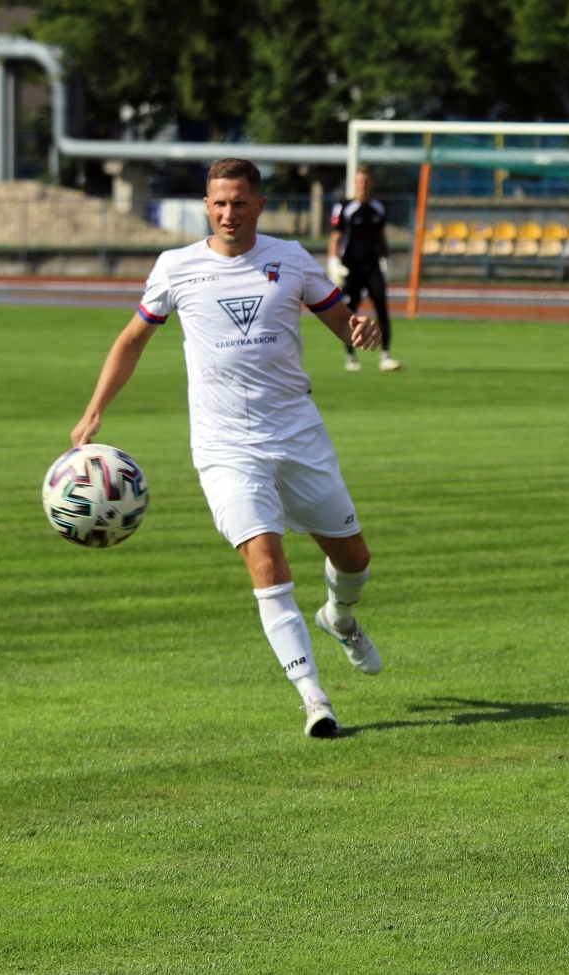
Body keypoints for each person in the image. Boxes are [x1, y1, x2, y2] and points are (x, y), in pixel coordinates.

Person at [71, 157, 386, 739]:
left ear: (260, 205)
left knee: (355, 559)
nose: (228, 213)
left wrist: (362, 329)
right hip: (224, 448)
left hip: (298, 436)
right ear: (206, 206)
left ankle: (339, 618)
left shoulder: (289, 258)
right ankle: (314, 697)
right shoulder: (176, 268)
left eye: (240, 202)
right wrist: (95, 409)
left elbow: (344, 323)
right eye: (218, 203)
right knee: (267, 564)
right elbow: (132, 338)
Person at [328, 165, 399, 372]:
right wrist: (333, 261)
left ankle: (386, 355)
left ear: (372, 183)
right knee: (350, 311)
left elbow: (381, 236)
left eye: (366, 181)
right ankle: (351, 357)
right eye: (360, 181)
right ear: (355, 183)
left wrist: (387, 259)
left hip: (372, 265)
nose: (363, 185)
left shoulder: (378, 207)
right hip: (350, 267)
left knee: (381, 307)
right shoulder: (344, 207)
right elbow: (336, 236)